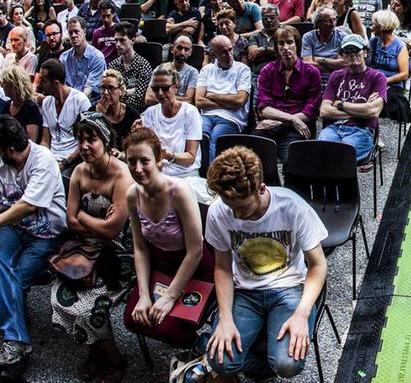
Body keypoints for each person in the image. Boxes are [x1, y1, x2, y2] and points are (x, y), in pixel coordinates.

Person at [186, 147, 327, 382]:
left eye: (242, 207)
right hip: (245, 291)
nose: (236, 215)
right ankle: (258, 364)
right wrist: (225, 319)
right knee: (219, 360)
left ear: (261, 188)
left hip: (289, 287)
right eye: (231, 207)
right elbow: (222, 267)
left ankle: (267, 357)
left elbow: (318, 266)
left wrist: (302, 315)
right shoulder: (220, 211)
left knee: (287, 364)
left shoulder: (292, 206)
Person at [0, 115, 68, 368]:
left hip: (46, 233)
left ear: (10, 149)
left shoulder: (43, 160)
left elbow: (28, 206)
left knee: (13, 276)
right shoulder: (1, 161)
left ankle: (15, 340)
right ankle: (17, 338)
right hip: (14, 227)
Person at [50, 113, 133, 382]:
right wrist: (93, 222)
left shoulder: (122, 175)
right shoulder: (78, 172)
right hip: (83, 251)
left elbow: (113, 230)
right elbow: (70, 222)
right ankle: (95, 352)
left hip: (117, 257)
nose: (84, 146)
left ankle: (114, 360)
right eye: (80, 140)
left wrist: (83, 218)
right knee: (59, 298)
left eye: (91, 139)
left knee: (88, 309)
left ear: (106, 141)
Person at [122, 128, 214, 348]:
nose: (137, 169)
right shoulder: (132, 195)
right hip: (160, 264)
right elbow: (140, 247)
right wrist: (144, 294)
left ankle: (199, 349)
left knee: (170, 328)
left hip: (193, 266)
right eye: (131, 161)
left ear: (158, 159)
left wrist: (171, 296)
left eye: (144, 161)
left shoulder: (179, 191)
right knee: (134, 318)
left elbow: (195, 250)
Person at [319, 34, 387, 169]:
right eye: (347, 51)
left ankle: (339, 190)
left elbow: (373, 111)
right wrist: (362, 110)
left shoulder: (377, 77)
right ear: (342, 56)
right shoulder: (336, 76)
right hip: (334, 129)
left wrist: (340, 104)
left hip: (362, 130)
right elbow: (324, 111)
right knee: (322, 153)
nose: (352, 54)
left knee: (340, 157)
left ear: (365, 52)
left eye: (356, 50)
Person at [256, 26, 322, 162]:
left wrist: (281, 121)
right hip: (273, 124)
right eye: (281, 43)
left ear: (297, 45)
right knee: (256, 155)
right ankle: (270, 183)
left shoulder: (311, 72)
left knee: (290, 161)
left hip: (299, 126)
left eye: (289, 42)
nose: (285, 47)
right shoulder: (267, 71)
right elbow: (264, 108)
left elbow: (311, 110)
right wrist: (290, 119)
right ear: (276, 47)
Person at [194, 35, 252, 166]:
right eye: (223, 52)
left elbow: (240, 100)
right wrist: (229, 101)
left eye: (230, 50)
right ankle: (198, 173)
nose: (229, 55)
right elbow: (199, 101)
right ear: (213, 54)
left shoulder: (243, 70)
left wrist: (212, 95)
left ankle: (212, 177)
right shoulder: (206, 70)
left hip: (231, 118)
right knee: (200, 135)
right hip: (207, 115)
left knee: (216, 138)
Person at [140, 64, 203, 179]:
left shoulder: (190, 112)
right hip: (158, 175)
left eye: (165, 88)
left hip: (186, 176)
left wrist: (169, 156)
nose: (159, 93)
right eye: (155, 88)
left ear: (175, 87)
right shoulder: (150, 113)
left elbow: (190, 157)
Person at [38, 58, 92, 171]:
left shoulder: (80, 101)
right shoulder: (47, 102)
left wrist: (65, 163)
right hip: (51, 158)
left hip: (73, 160)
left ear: (55, 83)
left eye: (43, 81)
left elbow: (87, 140)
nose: (39, 85)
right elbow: (45, 140)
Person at [62, 18, 108, 99]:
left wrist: (74, 102)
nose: (73, 35)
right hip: (69, 99)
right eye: (70, 33)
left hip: (91, 102)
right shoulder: (64, 58)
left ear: (84, 32)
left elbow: (90, 89)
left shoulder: (97, 57)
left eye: (76, 31)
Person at [0, 64, 43, 143]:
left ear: (14, 85)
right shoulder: (6, 106)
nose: (2, 86)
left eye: (5, 83)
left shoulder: (30, 108)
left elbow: (32, 140)